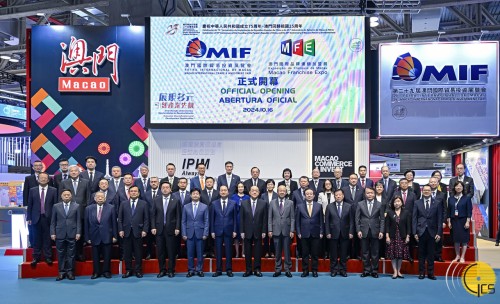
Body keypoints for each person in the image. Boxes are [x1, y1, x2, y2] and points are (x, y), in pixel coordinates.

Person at [60, 165, 91, 261]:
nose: (73, 172)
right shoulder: (64, 182)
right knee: (69, 234)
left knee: (80, 234)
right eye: (71, 171)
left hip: (82, 212)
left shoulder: (86, 182)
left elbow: (88, 198)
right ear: (69, 172)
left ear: (79, 172)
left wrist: (87, 210)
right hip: (68, 213)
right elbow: (60, 198)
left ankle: (80, 253)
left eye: (75, 171)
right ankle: (69, 256)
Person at [151, 181, 181, 278]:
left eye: (167, 187)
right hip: (159, 229)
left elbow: (178, 216)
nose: (165, 189)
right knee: (160, 251)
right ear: (160, 189)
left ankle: (171, 270)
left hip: (171, 229)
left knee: (171, 251)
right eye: (163, 187)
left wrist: (177, 227)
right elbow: (153, 215)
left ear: (170, 189)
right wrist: (153, 227)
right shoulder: (156, 200)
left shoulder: (175, 200)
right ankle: (162, 270)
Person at [118, 185, 149, 278]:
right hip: (126, 231)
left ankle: (138, 270)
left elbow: (146, 219)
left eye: (135, 191)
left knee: (138, 252)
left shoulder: (144, 204)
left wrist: (145, 230)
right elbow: (120, 218)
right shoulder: (123, 203)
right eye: (132, 191)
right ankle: (128, 270)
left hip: (138, 232)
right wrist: (120, 230)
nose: (133, 193)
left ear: (138, 193)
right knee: (127, 253)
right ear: (129, 193)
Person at [27, 172, 58, 266]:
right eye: (41, 178)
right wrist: (29, 217)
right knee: (36, 238)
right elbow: (30, 205)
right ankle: (36, 257)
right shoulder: (33, 190)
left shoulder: (54, 190)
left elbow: (56, 205)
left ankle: (48, 257)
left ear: (48, 180)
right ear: (38, 179)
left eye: (45, 178)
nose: (43, 179)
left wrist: (55, 218)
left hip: (49, 218)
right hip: (35, 218)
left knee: (47, 239)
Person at [413, 184, 443, 280]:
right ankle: (421, 273)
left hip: (432, 231)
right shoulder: (417, 203)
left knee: (431, 253)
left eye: (428, 190)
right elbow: (414, 219)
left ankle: (431, 273)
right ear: (422, 191)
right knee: (421, 254)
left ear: (431, 191)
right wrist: (414, 232)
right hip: (420, 231)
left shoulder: (437, 203)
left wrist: (439, 233)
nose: (426, 192)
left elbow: (439, 219)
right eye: (425, 190)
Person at [84, 191, 117, 279]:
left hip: (107, 235)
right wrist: (87, 237)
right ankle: (96, 272)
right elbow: (86, 224)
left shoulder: (111, 208)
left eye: (102, 197)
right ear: (94, 199)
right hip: (94, 236)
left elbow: (114, 223)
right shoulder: (88, 208)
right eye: (98, 197)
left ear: (105, 198)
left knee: (107, 255)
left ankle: (106, 271)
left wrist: (115, 236)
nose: (100, 198)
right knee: (95, 256)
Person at [50, 189, 81, 281]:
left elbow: (78, 221)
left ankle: (70, 272)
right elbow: (53, 221)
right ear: (61, 196)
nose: (66, 196)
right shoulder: (56, 206)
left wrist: (78, 232)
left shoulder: (76, 206)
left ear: (71, 196)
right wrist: (52, 233)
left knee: (71, 254)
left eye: (68, 195)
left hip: (72, 233)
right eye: (65, 195)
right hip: (59, 233)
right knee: (60, 254)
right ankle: (61, 272)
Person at [356, 186, 384, 278]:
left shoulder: (379, 204)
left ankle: (375, 271)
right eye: (368, 193)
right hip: (363, 231)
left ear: (374, 193)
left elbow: (382, 220)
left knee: (375, 252)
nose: (370, 194)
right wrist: (358, 230)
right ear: (365, 194)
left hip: (376, 231)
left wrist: (381, 231)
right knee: (365, 252)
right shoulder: (360, 204)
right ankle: (366, 270)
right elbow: (357, 219)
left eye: (371, 193)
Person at [325, 189, 354, 277]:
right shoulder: (329, 206)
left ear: (343, 196)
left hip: (345, 232)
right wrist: (327, 232)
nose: (338, 196)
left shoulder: (348, 206)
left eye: (340, 195)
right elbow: (326, 220)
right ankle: (333, 270)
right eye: (336, 195)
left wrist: (351, 232)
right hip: (333, 232)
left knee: (343, 253)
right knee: (333, 253)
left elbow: (352, 221)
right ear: (334, 196)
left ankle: (342, 270)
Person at [240, 186, 267, 277]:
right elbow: (242, 218)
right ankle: (248, 270)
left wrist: (264, 231)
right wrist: (242, 231)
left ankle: (257, 269)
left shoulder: (263, 203)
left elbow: (265, 218)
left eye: (256, 191)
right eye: (252, 191)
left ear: (259, 192)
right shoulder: (244, 203)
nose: (254, 192)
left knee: (258, 252)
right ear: (250, 193)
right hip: (247, 231)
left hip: (258, 231)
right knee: (247, 252)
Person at [210, 185, 237, 277]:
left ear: (228, 192)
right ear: (219, 192)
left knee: (229, 251)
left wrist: (234, 230)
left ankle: (229, 270)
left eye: (225, 190)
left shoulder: (233, 203)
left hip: (229, 230)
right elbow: (212, 218)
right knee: (218, 251)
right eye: (221, 190)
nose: (223, 192)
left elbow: (235, 218)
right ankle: (218, 270)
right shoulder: (214, 203)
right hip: (217, 231)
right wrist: (212, 231)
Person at [268, 185, 295, 278]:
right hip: (275, 230)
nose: (282, 192)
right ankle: (278, 269)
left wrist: (292, 230)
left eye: (284, 190)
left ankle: (288, 269)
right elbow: (270, 217)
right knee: (277, 252)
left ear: (286, 192)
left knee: (287, 252)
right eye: (280, 190)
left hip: (287, 231)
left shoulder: (290, 203)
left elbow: (292, 218)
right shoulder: (272, 203)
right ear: (277, 191)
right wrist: (270, 229)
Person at [296, 188, 323, 277]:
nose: (309, 195)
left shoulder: (318, 206)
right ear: (304, 195)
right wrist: (298, 232)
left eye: (311, 194)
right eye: (307, 194)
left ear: (314, 195)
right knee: (305, 253)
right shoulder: (300, 206)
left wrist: (321, 231)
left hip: (316, 233)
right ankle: (305, 270)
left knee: (315, 253)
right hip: (304, 233)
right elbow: (297, 221)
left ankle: (314, 270)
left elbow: (321, 220)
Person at [23, 160, 51, 247]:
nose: (38, 167)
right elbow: (26, 193)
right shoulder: (28, 179)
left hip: (45, 209)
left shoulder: (47, 177)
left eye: (39, 165)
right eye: (36, 165)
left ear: (42, 167)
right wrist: (27, 207)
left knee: (47, 231)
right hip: (34, 209)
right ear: (33, 167)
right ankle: (32, 244)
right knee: (33, 230)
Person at [182, 188, 209, 277]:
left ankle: (199, 269)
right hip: (189, 234)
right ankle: (190, 270)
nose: (195, 195)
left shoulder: (204, 206)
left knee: (200, 253)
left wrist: (205, 233)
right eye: (193, 193)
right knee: (190, 254)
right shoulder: (186, 206)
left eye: (197, 193)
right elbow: (183, 221)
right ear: (190, 195)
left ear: (199, 195)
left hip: (200, 234)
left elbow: (206, 220)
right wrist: (184, 233)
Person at [385, 196, 411, 279]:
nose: (397, 203)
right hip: (392, 236)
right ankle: (395, 271)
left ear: (402, 203)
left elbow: (408, 226)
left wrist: (408, 236)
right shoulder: (389, 212)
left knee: (400, 255)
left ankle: (399, 271)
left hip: (402, 236)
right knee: (393, 254)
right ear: (393, 203)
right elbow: (387, 226)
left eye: (398, 201)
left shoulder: (406, 212)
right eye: (395, 202)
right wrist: (387, 236)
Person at [447, 181, 472, 263]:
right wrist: (449, 221)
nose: (458, 187)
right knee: (456, 239)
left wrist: (468, 221)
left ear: (462, 188)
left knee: (464, 240)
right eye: (457, 186)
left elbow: (469, 211)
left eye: (460, 186)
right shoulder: (450, 198)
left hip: (463, 220)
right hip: (454, 221)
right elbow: (449, 211)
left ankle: (462, 256)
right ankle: (457, 255)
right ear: (454, 188)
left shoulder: (467, 198)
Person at [393, 178, 417, 262]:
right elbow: (392, 205)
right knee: (398, 237)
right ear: (399, 184)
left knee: (408, 237)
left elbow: (415, 207)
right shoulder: (395, 193)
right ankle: (399, 255)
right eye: (402, 183)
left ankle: (409, 255)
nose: (404, 184)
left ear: (408, 184)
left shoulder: (412, 194)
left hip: (409, 218)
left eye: (405, 183)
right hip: (397, 218)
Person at [429, 176, 447, 262]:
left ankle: (438, 255)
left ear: (438, 183)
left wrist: (444, 221)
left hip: (438, 220)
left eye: (434, 182)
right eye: (431, 182)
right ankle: (430, 256)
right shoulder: (426, 193)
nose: (433, 183)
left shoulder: (442, 194)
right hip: (428, 220)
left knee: (439, 239)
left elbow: (444, 209)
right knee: (429, 239)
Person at [201, 177, 219, 258]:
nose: (209, 183)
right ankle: (205, 251)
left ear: (213, 183)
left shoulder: (217, 193)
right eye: (207, 182)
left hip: (214, 216)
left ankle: (211, 251)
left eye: (210, 182)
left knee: (212, 235)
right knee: (205, 234)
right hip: (203, 216)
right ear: (205, 183)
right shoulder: (201, 192)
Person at [230, 182, 249, 258]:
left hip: (245, 218)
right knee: (236, 237)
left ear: (244, 188)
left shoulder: (247, 197)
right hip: (236, 218)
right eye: (239, 187)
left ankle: (243, 252)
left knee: (244, 237)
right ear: (237, 188)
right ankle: (237, 253)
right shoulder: (233, 197)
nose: (240, 188)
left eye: (242, 187)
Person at [143, 176, 160, 260]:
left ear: (158, 183)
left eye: (155, 181)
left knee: (160, 240)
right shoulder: (146, 194)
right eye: (152, 182)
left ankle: (160, 255)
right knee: (149, 240)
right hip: (149, 221)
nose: (153, 183)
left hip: (160, 220)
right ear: (150, 183)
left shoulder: (162, 192)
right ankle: (149, 253)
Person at [261, 179, 277, 258]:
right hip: (265, 217)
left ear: (274, 186)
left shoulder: (277, 195)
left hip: (274, 217)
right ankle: (267, 251)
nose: (270, 186)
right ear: (266, 186)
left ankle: (273, 252)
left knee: (273, 235)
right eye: (268, 184)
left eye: (271, 184)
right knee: (266, 236)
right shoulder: (263, 195)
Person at [318, 179, 334, 258]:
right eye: (326, 184)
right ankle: (324, 253)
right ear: (324, 185)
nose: (328, 185)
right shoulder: (321, 194)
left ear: (331, 185)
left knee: (332, 237)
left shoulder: (335, 193)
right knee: (324, 237)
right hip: (324, 217)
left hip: (333, 219)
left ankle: (331, 252)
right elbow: (319, 206)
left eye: (329, 184)